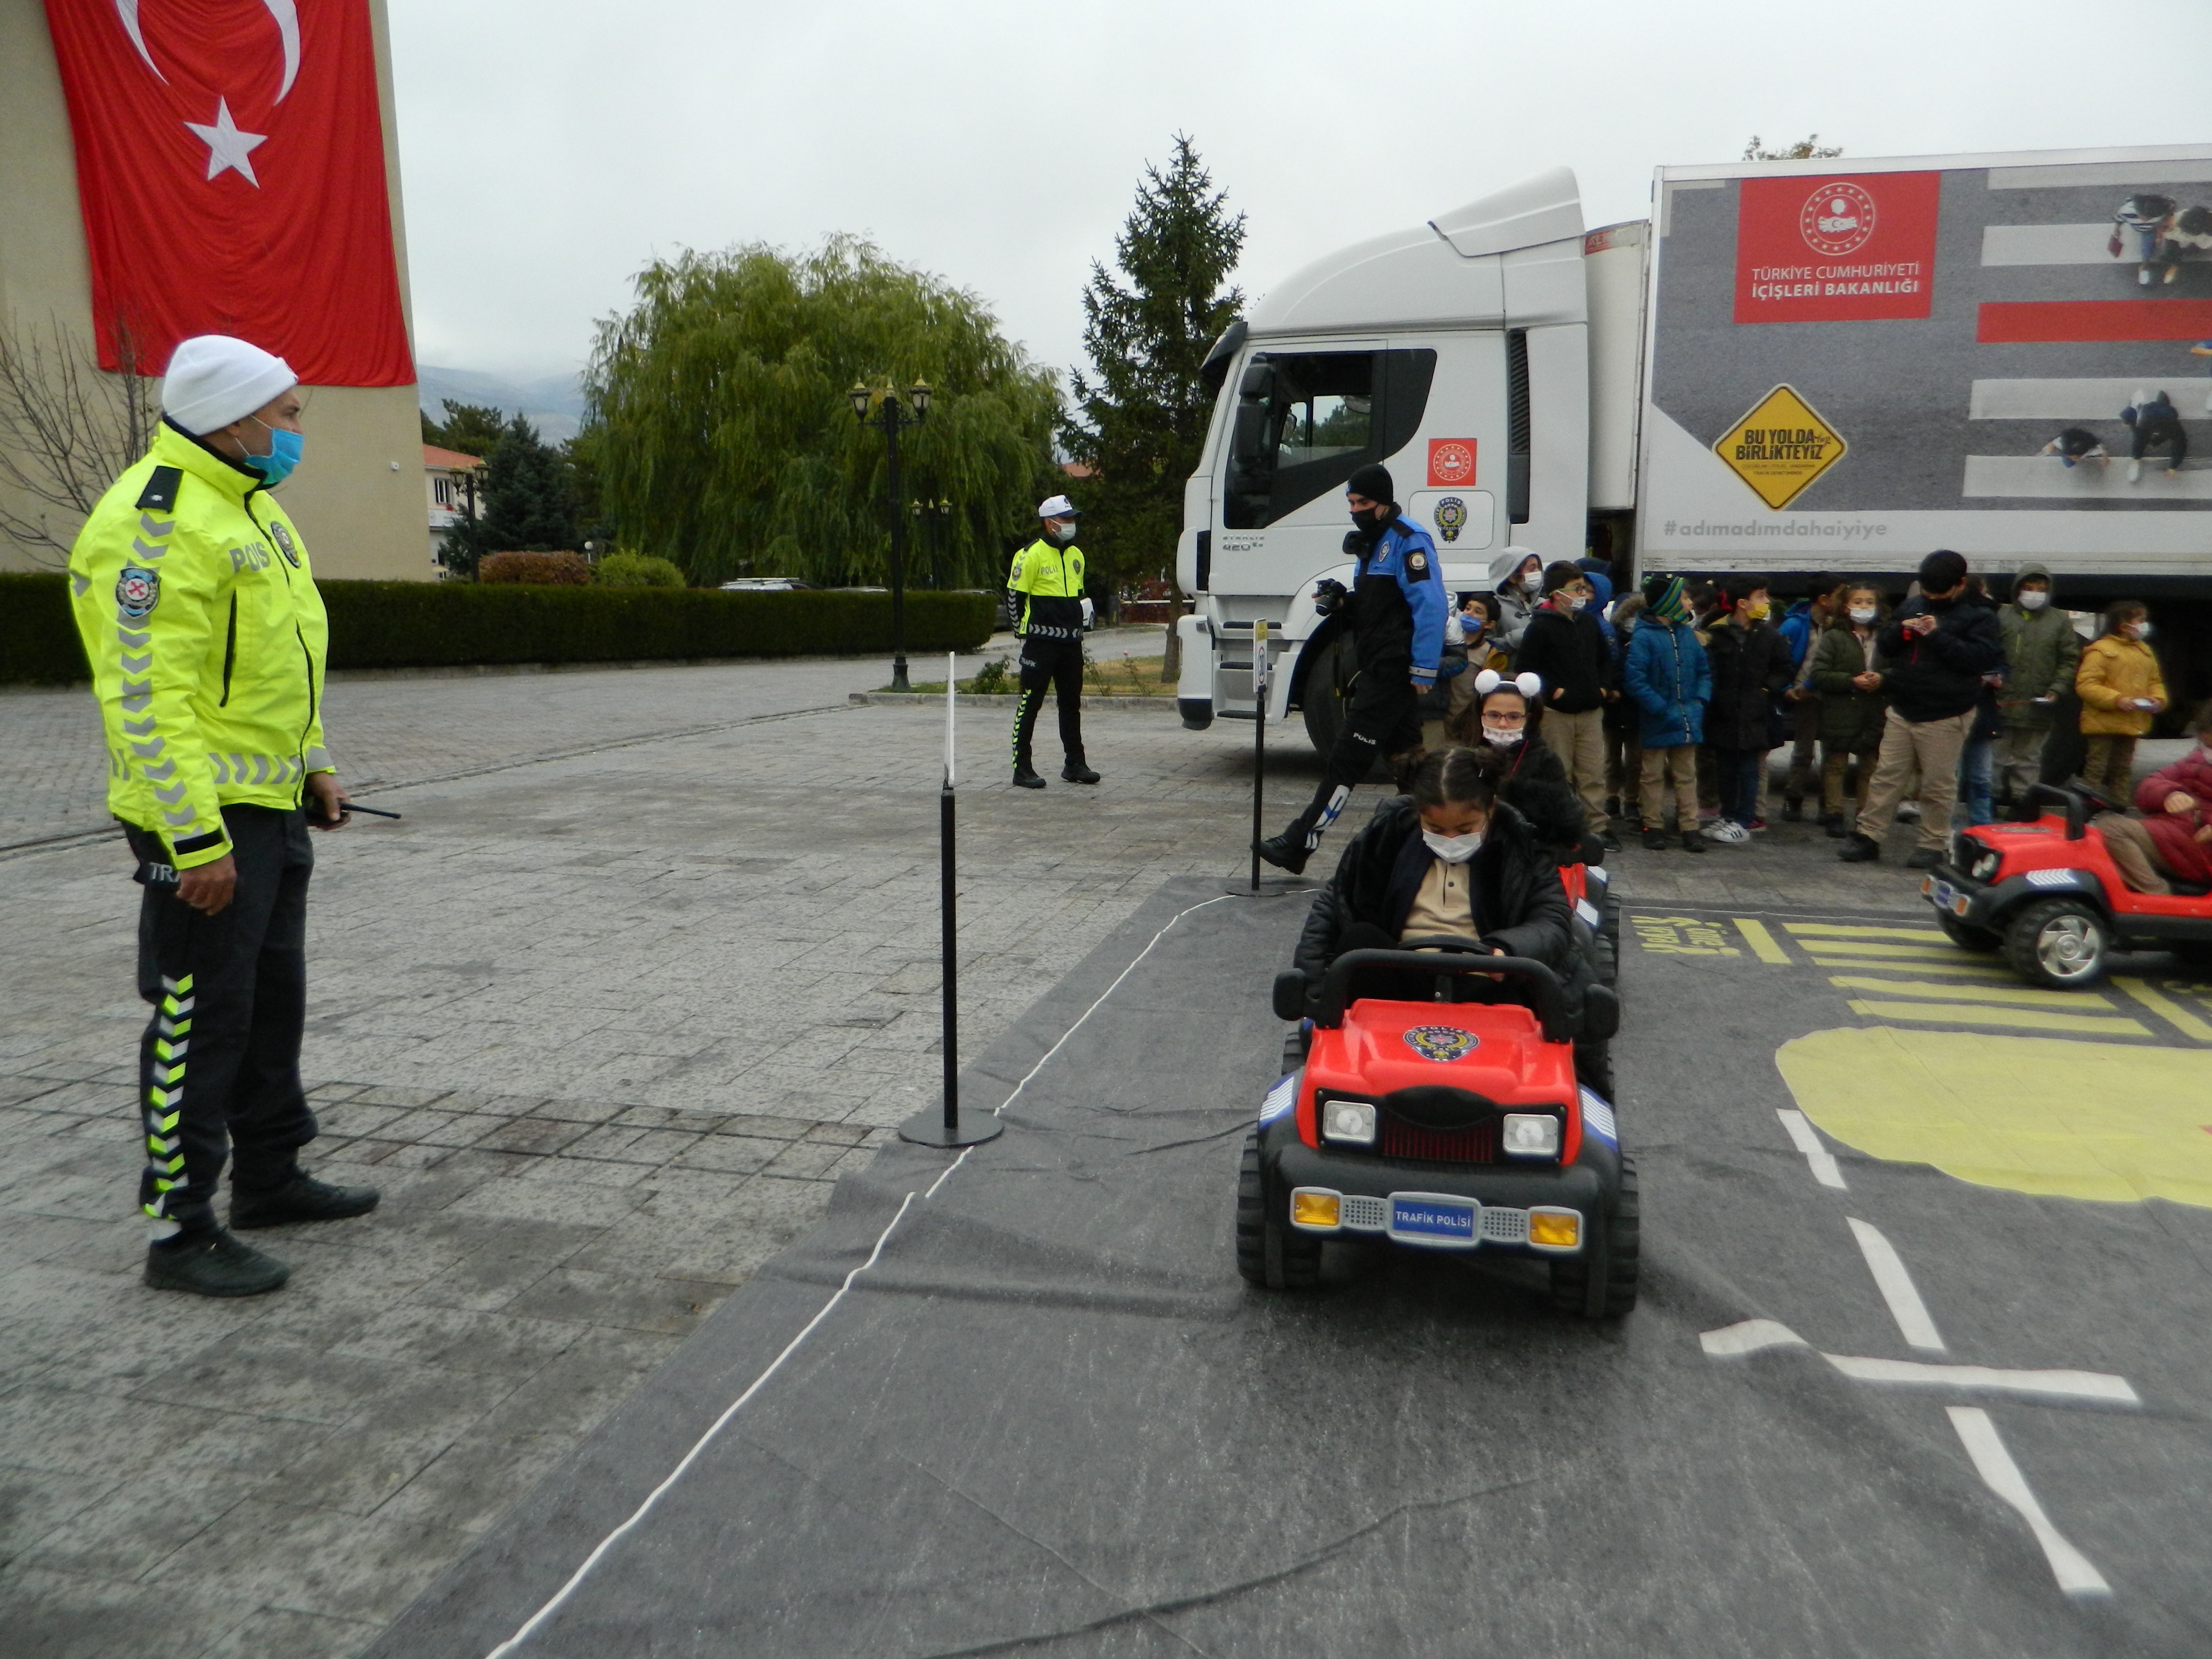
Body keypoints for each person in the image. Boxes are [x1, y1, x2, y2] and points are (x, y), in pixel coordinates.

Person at [65, 334, 377, 1299]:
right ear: (234, 417)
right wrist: (193, 840)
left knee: (269, 998)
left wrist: (315, 765)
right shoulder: (150, 527)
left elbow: (287, 663)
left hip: (270, 803)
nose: (293, 433)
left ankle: (271, 1176)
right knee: (200, 1016)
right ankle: (180, 1227)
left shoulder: (255, 513)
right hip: (197, 820)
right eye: (285, 415)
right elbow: (146, 699)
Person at [1289, 745, 1602, 1091]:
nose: (1451, 840)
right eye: (1436, 828)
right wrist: (1315, 992)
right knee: (1357, 942)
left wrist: (1508, 951)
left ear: (1491, 808)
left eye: (1465, 828)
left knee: (1566, 1034)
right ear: (1418, 813)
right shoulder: (1386, 835)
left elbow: (1553, 918)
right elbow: (1335, 903)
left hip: (1492, 981)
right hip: (1396, 977)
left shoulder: (1522, 846)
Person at [1256, 463, 1444, 874]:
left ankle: (1301, 841)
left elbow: (1430, 604)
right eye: (1351, 503)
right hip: (1378, 662)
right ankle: (1442, 840)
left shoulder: (1407, 540)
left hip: (1393, 669)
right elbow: (1380, 607)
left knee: (1347, 757)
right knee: (1409, 762)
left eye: (1362, 503)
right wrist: (1345, 602)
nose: (1355, 510)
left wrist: (1424, 669)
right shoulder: (1373, 543)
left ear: (1383, 502)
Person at [1839, 549, 2005, 867]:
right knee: (1886, 776)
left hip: (1946, 712)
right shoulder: (1913, 604)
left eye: (1938, 592)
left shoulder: (1981, 615)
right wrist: (1903, 631)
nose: (1932, 598)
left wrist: (1936, 635)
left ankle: (1933, 842)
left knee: (1937, 783)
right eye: (1927, 591)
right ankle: (1868, 835)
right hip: (1903, 706)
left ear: (1959, 584)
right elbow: (1886, 644)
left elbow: (1978, 660)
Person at [1511, 561, 1615, 848]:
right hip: (1557, 714)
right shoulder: (1540, 627)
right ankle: (1562, 824)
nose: (1584, 594)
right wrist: (1554, 692)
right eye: (1577, 588)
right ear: (1557, 593)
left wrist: (1603, 688)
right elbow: (1526, 669)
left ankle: (1597, 826)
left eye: (1585, 588)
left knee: (1593, 772)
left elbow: (1606, 660)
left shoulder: (1589, 623)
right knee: (1560, 771)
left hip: (1591, 710)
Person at [1445, 669, 1598, 863]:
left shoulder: (1545, 761)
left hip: (1524, 858)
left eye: (1513, 717)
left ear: (1529, 718)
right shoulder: (1459, 756)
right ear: (1480, 714)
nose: (1502, 724)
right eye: (1493, 715)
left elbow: (1562, 826)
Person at [1007, 494, 1097, 789]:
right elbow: (1014, 596)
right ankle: (1022, 768)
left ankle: (1075, 763)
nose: (1071, 524)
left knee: (1071, 704)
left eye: (1073, 519)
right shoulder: (1029, 555)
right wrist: (1022, 630)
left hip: (1072, 643)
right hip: (1041, 644)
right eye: (1066, 519)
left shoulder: (1076, 556)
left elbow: (1080, 594)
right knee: (1030, 704)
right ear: (1050, 523)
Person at [1699, 575, 1793, 844]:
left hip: (1755, 713)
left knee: (1749, 767)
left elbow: (1784, 669)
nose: (1766, 602)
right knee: (1725, 768)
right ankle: (1727, 815)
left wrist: (1765, 689)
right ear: (1742, 603)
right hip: (1724, 712)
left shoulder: (1771, 636)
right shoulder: (1718, 635)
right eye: (1760, 596)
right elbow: (1711, 670)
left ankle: (1744, 820)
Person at [1624, 575, 1711, 853]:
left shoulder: (1687, 634)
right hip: (1658, 718)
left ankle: (1689, 826)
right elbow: (1635, 680)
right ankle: (1653, 825)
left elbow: (1703, 672)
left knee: (1686, 774)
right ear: (1668, 604)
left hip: (1688, 716)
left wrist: (1699, 700)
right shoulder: (1644, 637)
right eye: (1684, 599)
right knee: (1652, 775)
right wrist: (1661, 708)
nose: (1689, 604)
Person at [2095, 705, 2212, 895]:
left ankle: (2156, 895)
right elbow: (2151, 784)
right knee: (2095, 837)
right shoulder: (2198, 760)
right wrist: (2170, 794)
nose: (2207, 747)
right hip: (2178, 835)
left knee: (2112, 830)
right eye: (2206, 742)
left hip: (2199, 847)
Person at [1994, 564, 2079, 812]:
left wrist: (2057, 689)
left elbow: (2068, 660)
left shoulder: (2058, 621)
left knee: (2028, 758)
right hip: (2003, 701)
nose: (2034, 593)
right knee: (1996, 757)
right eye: (2029, 588)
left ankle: (2024, 802)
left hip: (2037, 704)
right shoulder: (2003, 616)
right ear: (2018, 589)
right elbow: (1989, 652)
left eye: (2041, 589)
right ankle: (1994, 799)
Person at [1809, 584, 1889, 837]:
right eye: (1858, 602)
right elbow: (1819, 674)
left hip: (1874, 710)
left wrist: (1882, 678)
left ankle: (1864, 816)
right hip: (1840, 710)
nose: (1864, 607)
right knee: (1835, 765)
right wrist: (1851, 681)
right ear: (1846, 606)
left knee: (1870, 766)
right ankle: (1834, 813)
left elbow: (1900, 670)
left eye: (1869, 602)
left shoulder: (1886, 637)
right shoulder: (1834, 636)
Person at [2075, 600, 2167, 798]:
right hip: (2102, 723)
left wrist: (2157, 699)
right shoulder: (2100, 651)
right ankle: (2084, 809)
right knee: (2096, 768)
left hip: (2131, 722)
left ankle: (2119, 807)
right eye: (2140, 620)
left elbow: (2154, 681)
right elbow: (2086, 685)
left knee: (2122, 768)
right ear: (2123, 625)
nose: (2144, 625)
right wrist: (2117, 700)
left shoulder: (2144, 651)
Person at [1776, 578, 1840, 821]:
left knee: (1834, 752)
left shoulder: (1840, 626)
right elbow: (1779, 660)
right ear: (1824, 600)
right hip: (1805, 696)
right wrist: (1785, 687)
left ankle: (1830, 805)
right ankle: (1794, 799)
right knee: (1804, 750)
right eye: (1840, 596)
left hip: (1834, 694)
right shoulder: (1794, 625)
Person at [2110, 193, 2179, 285]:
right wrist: (2117, 231)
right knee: (2146, 250)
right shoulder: (2126, 211)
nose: (2145, 220)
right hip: (2147, 231)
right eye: (2143, 216)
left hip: (2157, 228)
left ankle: (2169, 265)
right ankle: (2144, 268)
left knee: (2168, 248)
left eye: (2150, 218)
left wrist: (2162, 230)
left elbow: (2170, 213)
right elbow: (2119, 220)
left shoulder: (2163, 210)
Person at [2120, 390, 2187, 482]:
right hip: (2159, 421)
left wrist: (2173, 466)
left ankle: (2136, 459)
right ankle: (2137, 457)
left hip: (2155, 422)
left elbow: (2180, 443)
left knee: (2140, 439)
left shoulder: (2149, 419)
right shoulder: (2171, 425)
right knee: (2142, 438)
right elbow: (2180, 444)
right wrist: (2173, 467)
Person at [1490, 548, 1543, 655]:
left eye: (1538, 567)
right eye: (1531, 569)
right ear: (1513, 576)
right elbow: (1484, 647)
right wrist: (1515, 638)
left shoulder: (1544, 604)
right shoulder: (1493, 607)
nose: (1538, 572)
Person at [2040, 428, 2109, 470]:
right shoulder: (2063, 444)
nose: (2075, 459)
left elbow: (2102, 449)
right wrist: (2047, 450)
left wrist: (2105, 459)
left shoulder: (2093, 451)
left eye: (2076, 458)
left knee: (2068, 463)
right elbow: (2053, 444)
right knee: (2068, 464)